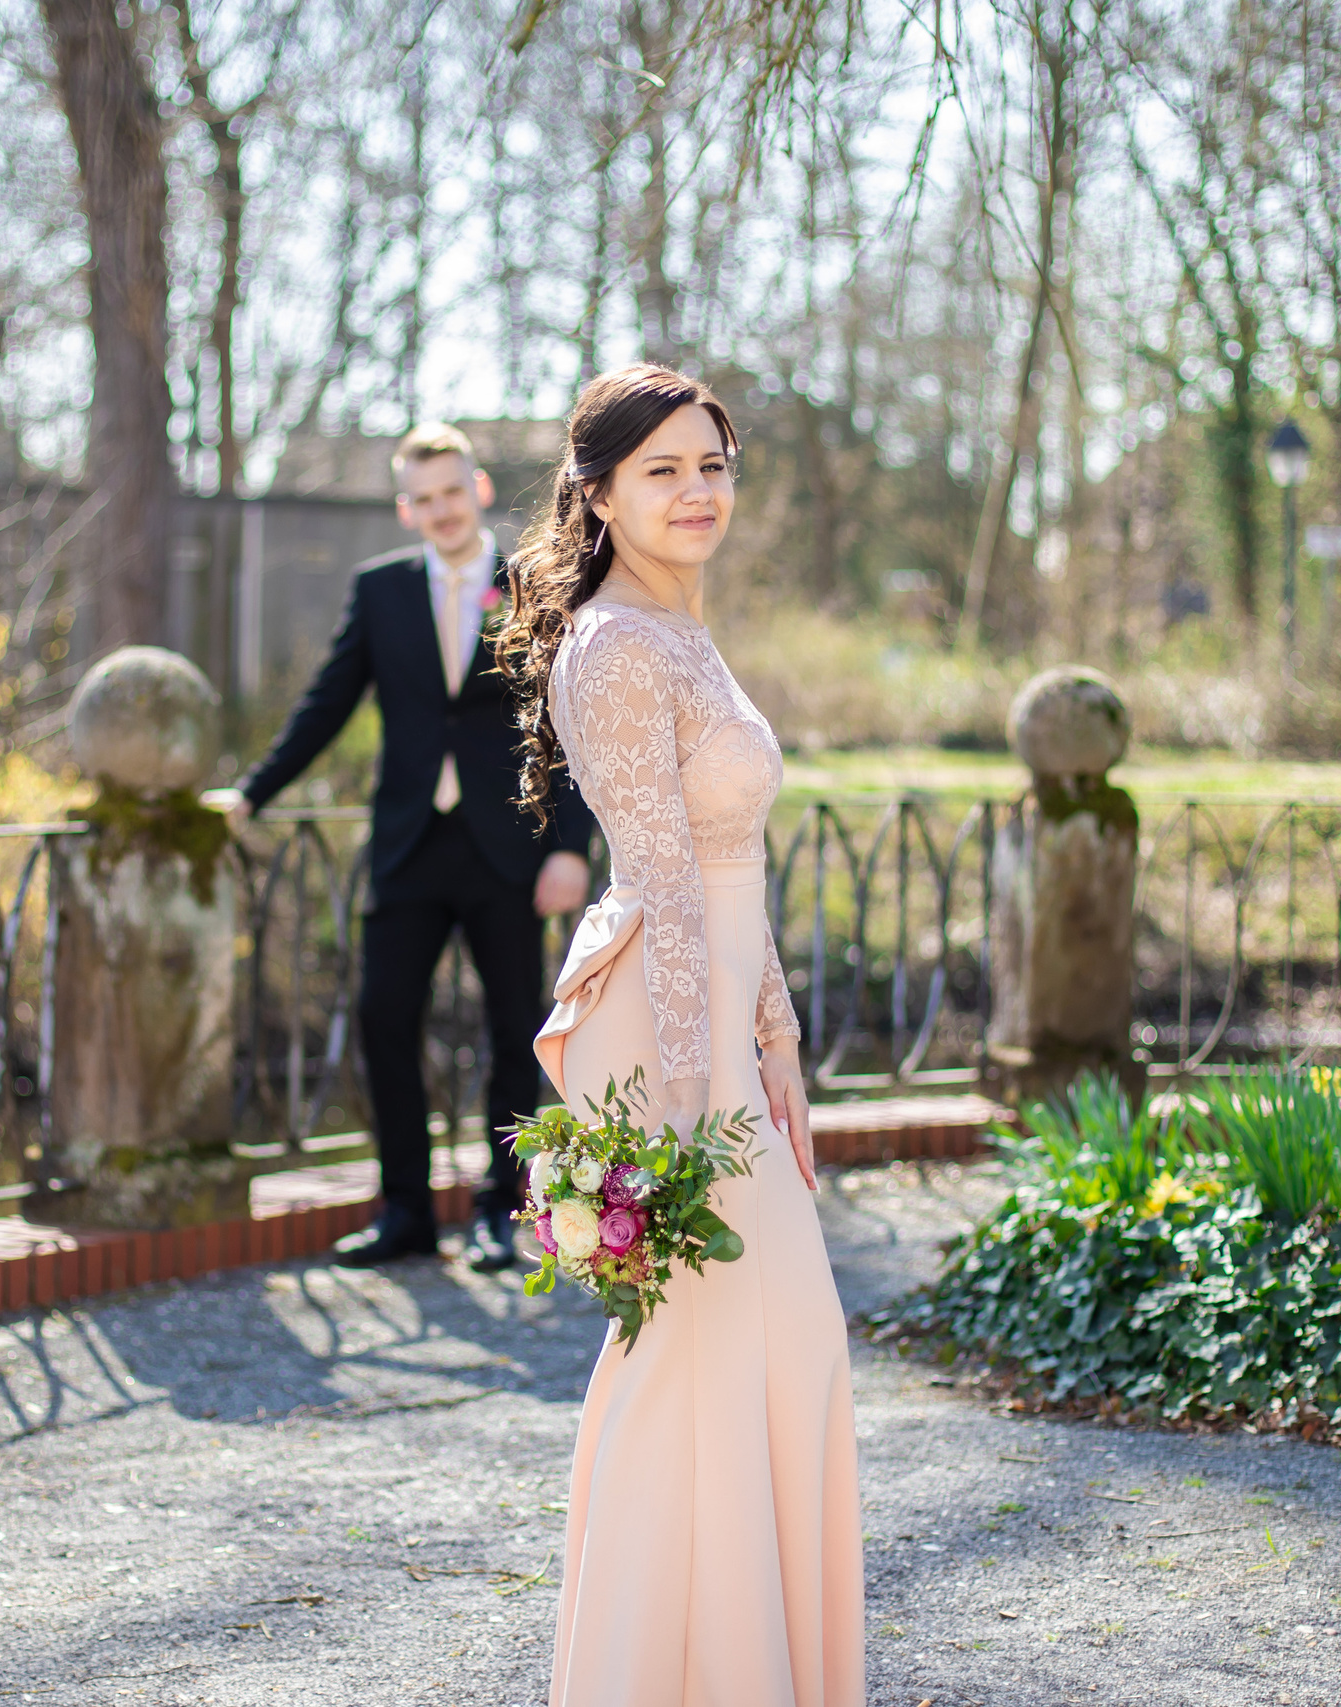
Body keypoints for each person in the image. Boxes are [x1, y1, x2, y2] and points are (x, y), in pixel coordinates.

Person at [496, 366, 862, 1704]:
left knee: (775, 1353)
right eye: (662, 469)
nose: (697, 490)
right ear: (598, 495)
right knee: (714, 1349)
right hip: (662, 1034)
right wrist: (694, 1112)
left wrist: (779, 1039)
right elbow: (660, 882)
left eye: (711, 464)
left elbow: (735, 869)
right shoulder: (612, 647)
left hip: (723, 1018)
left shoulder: (689, 629)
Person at [206, 423, 596, 1272]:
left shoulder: (535, 585)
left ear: (479, 490)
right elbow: (327, 701)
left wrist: (572, 846)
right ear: (405, 508)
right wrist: (251, 794)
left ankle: (502, 1209)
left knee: (510, 1031)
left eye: (453, 492)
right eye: (423, 499)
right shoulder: (379, 591)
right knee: (386, 1020)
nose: (441, 509)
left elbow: (575, 725)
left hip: (509, 849)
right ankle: (407, 1212)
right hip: (409, 846)